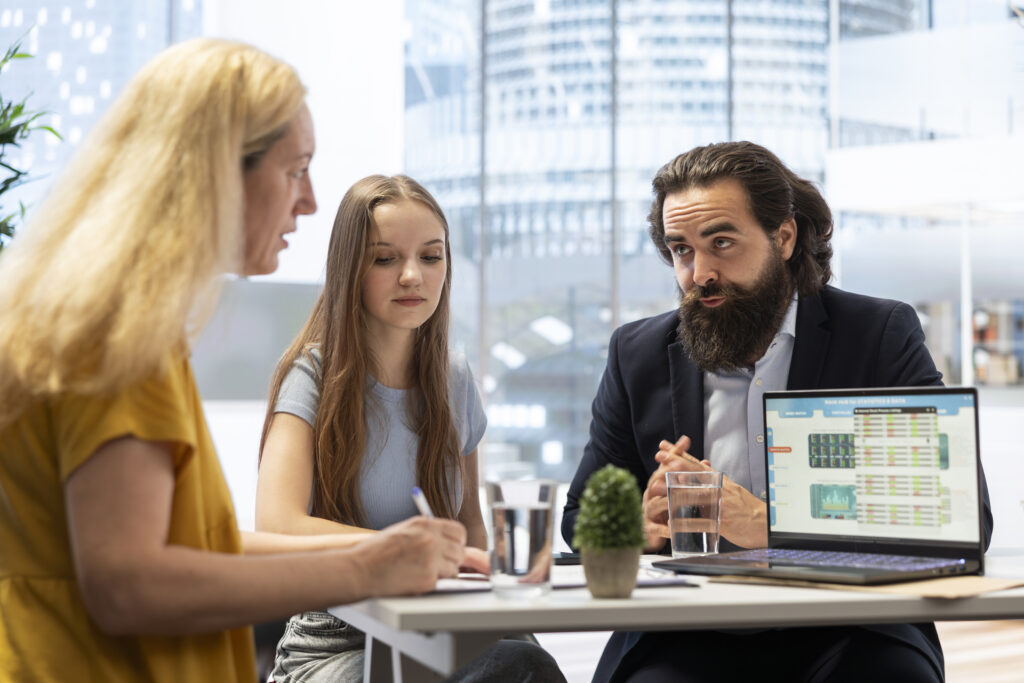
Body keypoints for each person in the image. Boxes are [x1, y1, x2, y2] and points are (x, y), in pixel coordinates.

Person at [0, 39, 478, 683]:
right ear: (215, 173)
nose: (308, 202)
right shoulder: (115, 333)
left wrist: (389, 552)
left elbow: (191, 545)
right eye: (294, 170)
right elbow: (127, 582)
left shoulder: (108, 317)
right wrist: (367, 566)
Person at [561, 141, 994, 683]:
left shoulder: (877, 334)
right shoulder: (638, 352)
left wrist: (769, 524)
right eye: (682, 250)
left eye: (722, 243)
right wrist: (636, 526)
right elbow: (578, 519)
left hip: (849, 627)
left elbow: (962, 518)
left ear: (783, 237)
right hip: (686, 632)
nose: (700, 273)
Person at [255, 174, 565, 682]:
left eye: (430, 256)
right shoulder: (311, 375)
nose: (411, 276)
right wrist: (403, 551)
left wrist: (501, 569)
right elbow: (277, 524)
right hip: (336, 638)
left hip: (448, 624)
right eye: (384, 259)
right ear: (349, 268)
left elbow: (469, 528)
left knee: (526, 665)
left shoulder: (454, 377)